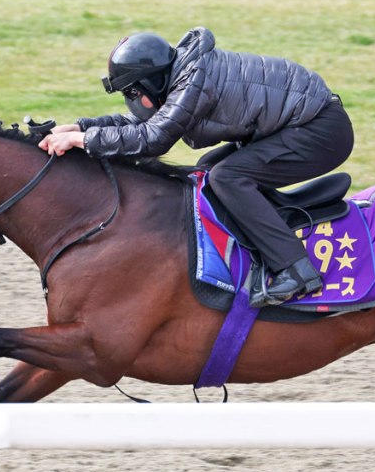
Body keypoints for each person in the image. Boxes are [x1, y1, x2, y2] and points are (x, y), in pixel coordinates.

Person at [39, 27, 354, 307]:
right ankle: (252, 252)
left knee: (228, 177)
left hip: (320, 131)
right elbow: (143, 123)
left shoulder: (193, 85)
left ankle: (295, 268)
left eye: (132, 92)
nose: (131, 100)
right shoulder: (183, 76)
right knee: (206, 169)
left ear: (150, 82)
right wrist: (80, 127)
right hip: (301, 124)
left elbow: (152, 139)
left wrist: (85, 140)